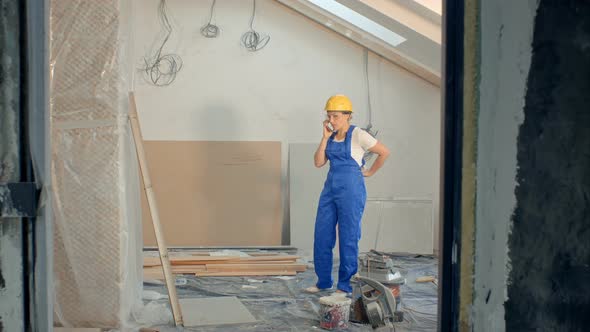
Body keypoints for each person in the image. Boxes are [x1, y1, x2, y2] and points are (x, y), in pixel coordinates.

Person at [305, 94, 390, 294]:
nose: (331, 121)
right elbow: (318, 162)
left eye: (335, 116)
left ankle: (345, 285)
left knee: (348, 237)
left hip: (351, 191)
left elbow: (384, 151)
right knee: (322, 235)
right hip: (330, 191)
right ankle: (323, 281)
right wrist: (324, 138)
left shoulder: (359, 134)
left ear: (347, 116)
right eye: (329, 116)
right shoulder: (331, 136)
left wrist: (369, 172)